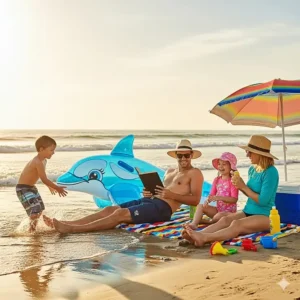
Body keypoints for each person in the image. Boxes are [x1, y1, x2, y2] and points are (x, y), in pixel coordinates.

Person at [51, 139, 204, 234]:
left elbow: (195, 200)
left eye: (186, 155)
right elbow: (158, 191)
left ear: (191, 155)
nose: (183, 158)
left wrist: (172, 195)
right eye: (180, 155)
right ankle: (69, 223)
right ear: (176, 155)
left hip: (163, 209)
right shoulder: (169, 172)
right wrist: (148, 193)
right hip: (150, 201)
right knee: (109, 209)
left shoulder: (194, 173)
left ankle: (74, 230)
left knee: (119, 214)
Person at [182, 135, 279, 247]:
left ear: (260, 154)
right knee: (224, 220)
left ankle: (204, 238)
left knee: (236, 224)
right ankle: (196, 235)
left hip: (265, 215)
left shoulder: (271, 172)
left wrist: (243, 186)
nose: (247, 154)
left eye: (250, 152)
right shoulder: (253, 169)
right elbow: (249, 194)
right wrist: (239, 186)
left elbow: (263, 201)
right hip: (248, 211)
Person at [16, 136, 67, 232]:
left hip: (32, 187)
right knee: (35, 210)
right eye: (51, 150)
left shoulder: (44, 161)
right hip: (23, 189)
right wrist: (57, 188)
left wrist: (49, 186)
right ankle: (31, 230)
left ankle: (36, 227)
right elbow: (44, 179)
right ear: (41, 149)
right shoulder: (37, 162)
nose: (53, 152)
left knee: (40, 209)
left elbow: (42, 176)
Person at [189, 152, 239, 228]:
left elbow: (234, 199)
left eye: (224, 164)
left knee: (219, 216)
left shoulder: (233, 181)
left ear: (231, 167)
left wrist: (219, 198)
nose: (221, 166)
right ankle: (194, 224)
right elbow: (212, 195)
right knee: (200, 205)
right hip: (218, 209)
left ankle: (210, 222)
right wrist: (208, 200)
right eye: (219, 164)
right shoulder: (217, 180)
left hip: (229, 214)